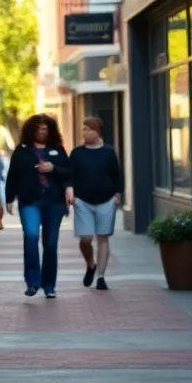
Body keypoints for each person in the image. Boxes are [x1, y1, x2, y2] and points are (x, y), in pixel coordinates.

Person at [6, 113, 71, 298]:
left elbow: (69, 172)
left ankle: (49, 285)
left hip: (54, 202)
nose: (42, 131)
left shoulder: (57, 149)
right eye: (38, 128)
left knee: (50, 244)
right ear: (31, 130)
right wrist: (9, 199)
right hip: (29, 201)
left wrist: (54, 168)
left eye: (45, 128)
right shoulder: (22, 150)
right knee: (31, 236)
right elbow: (13, 175)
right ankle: (33, 282)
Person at [66, 117, 123, 290]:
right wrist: (70, 192)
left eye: (88, 129)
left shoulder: (108, 152)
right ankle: (91, 265)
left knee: (102, 237)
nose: (84, 132)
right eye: (83, 129)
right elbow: (70, 175)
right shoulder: (77, 153)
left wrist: (117, 195)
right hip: (82, 201)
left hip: (106, 200)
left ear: (98, 132)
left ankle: (101, 277)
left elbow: (117, 175)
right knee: (85, 239)